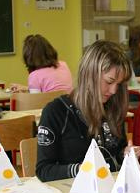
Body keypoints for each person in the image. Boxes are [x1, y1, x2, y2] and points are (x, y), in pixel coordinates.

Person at [36, 40, 132, 181]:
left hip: (110, 188)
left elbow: (116, 156)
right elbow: (44, 171)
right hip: (71, 191)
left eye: (119, 84)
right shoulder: (56, 112)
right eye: (109, 82)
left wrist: (125, 155)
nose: (113, 91)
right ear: (89, 74)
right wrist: (82, 170)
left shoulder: (113, 108)